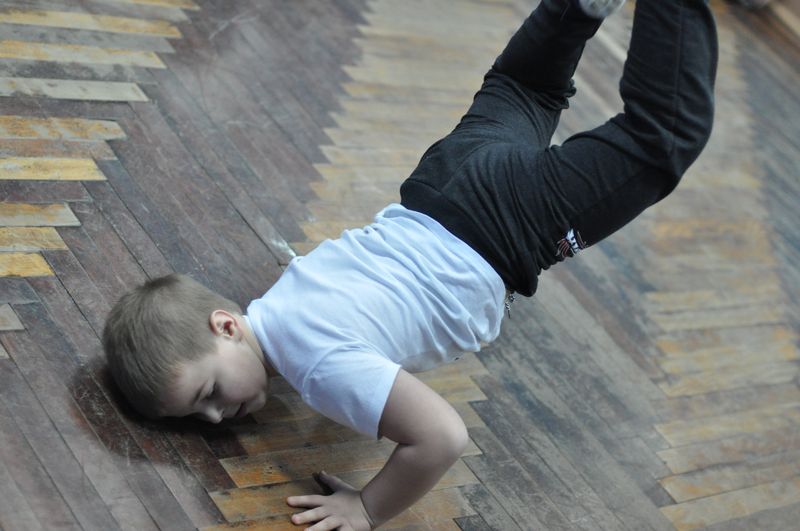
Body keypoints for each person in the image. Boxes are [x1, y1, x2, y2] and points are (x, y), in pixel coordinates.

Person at [102, 0, 718, 529]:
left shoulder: (316, 366)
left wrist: (368, 508)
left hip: (502, 227)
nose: (215, 415)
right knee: (525, 87)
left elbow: (441, 437)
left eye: (208, 392)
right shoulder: (283, 298)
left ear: (225, 325)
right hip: (444, 180)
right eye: (198, 416)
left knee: (660, 141)